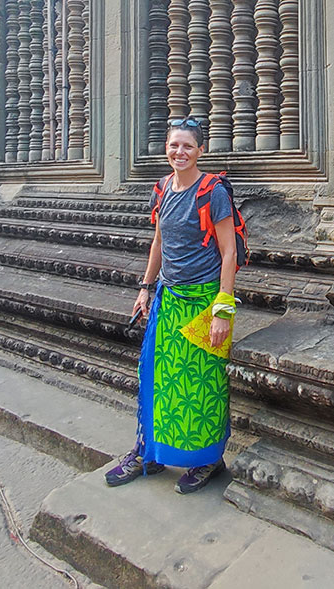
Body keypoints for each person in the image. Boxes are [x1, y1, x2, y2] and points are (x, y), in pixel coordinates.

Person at [104, 116, 237, 494]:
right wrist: (145, 288)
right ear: (167, 148)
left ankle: (207, 459)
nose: (180, 152)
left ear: (200, 150)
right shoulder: (162, 189)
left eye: (188, 146)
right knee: (156, 380)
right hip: (169, 299)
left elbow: (229, 254)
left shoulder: (214, 192)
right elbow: (158, 243)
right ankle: (149, 451)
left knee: (202, 386)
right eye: (174, 145)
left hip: (205, 302)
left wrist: (222, 312)